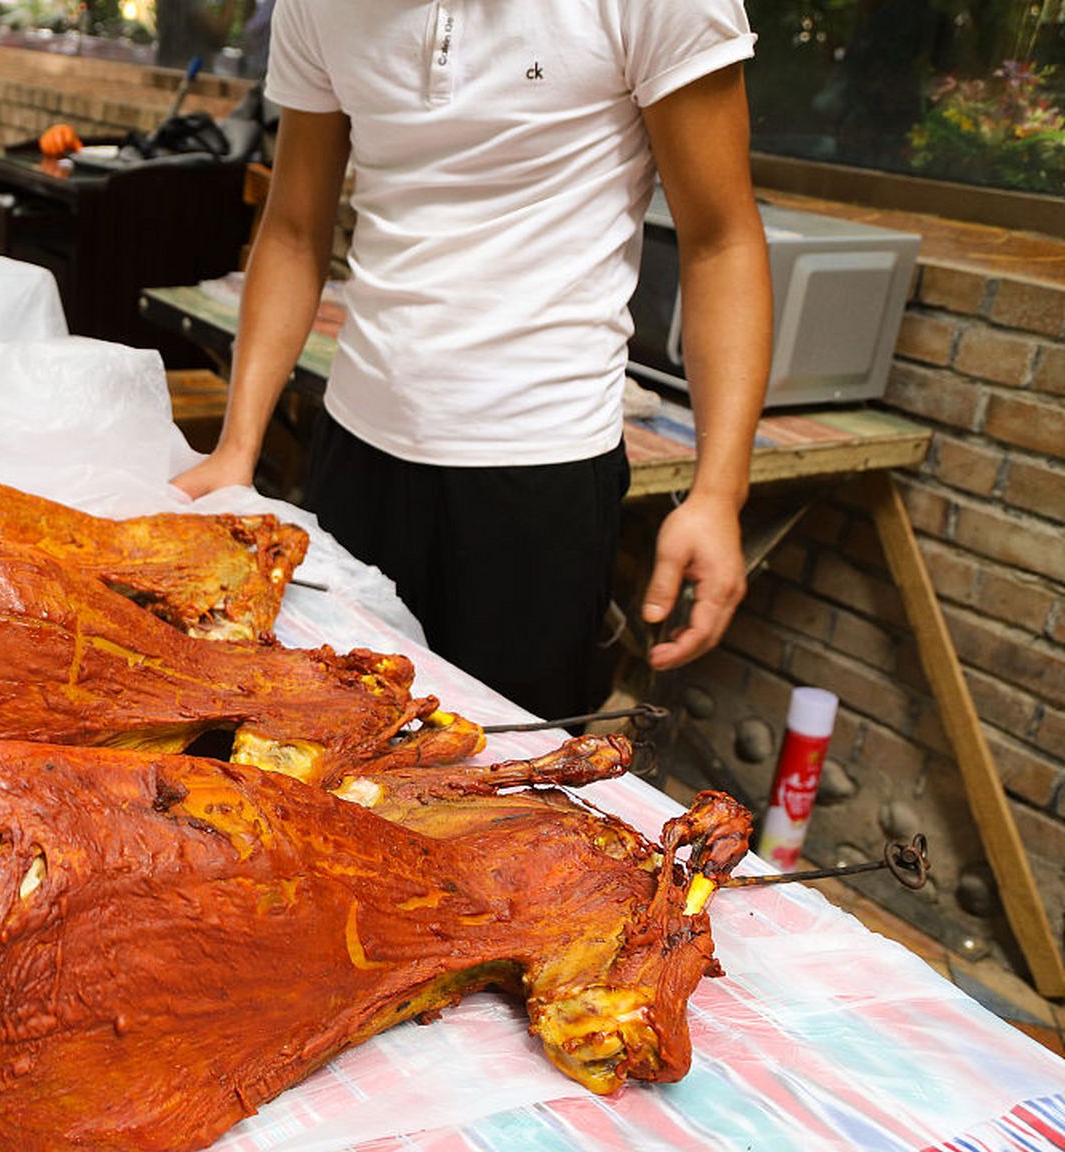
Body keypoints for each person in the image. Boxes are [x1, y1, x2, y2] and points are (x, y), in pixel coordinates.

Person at [172, 0, 773, 719]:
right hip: (354, 455)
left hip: (538, 478)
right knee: (322, 743)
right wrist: (239, 447)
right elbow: (296, 228)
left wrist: (717, 492)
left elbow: (722, 241)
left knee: (505, 783)